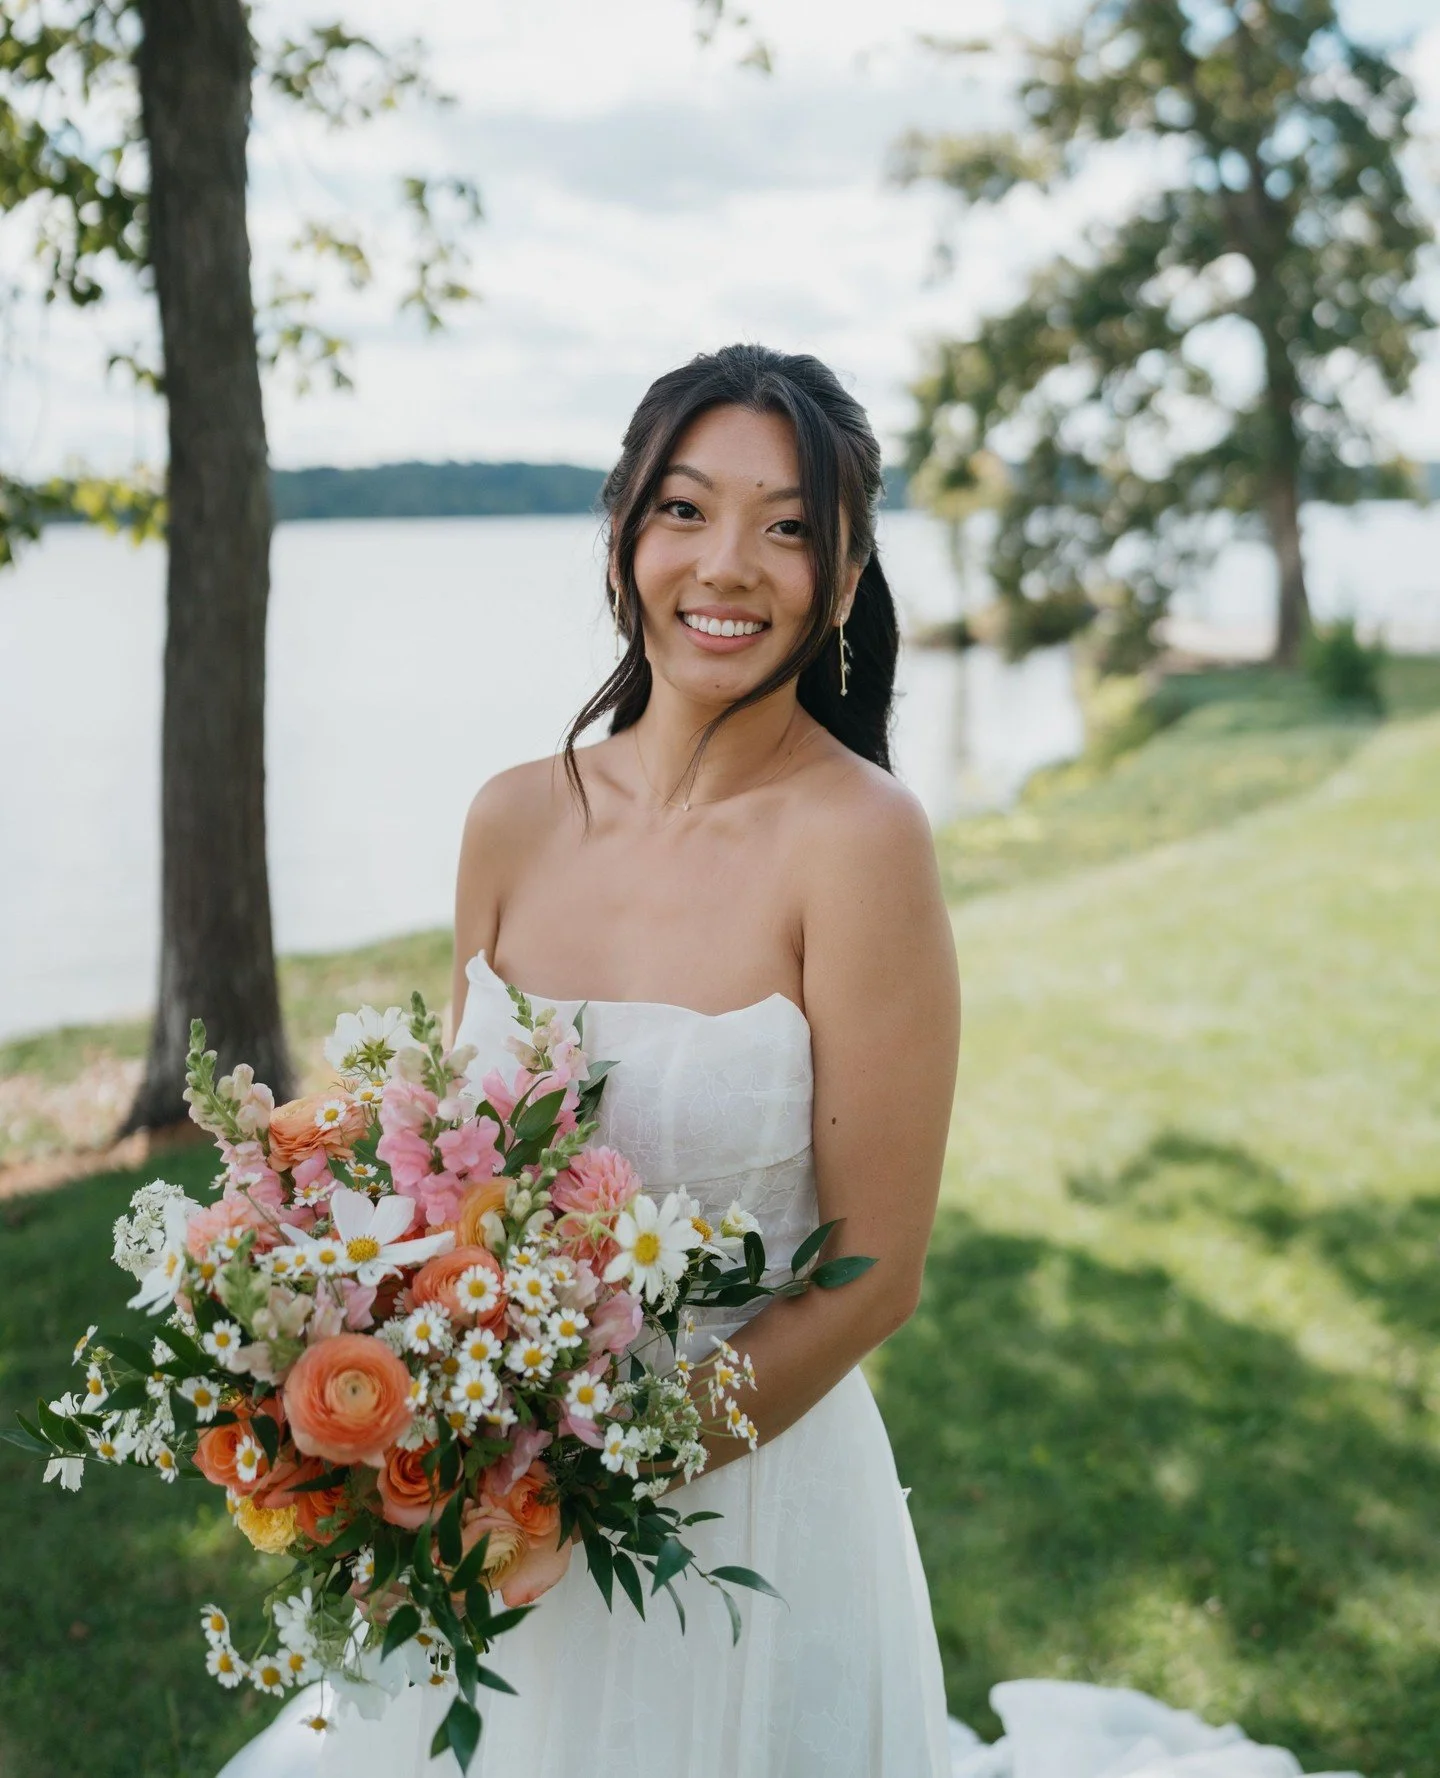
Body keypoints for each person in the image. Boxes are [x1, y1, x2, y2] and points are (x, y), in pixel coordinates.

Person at [219, 345, 1353, 1778]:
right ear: (626, 532)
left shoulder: (861, 840)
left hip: (737, 1517)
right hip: (490, 1517)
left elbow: (877, 1269)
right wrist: (392, 1380)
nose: (729, 564)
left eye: (791, 526)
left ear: (847, 568)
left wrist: (592, 1474)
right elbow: (453, 1172)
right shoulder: (509, 819)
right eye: (686, 509)